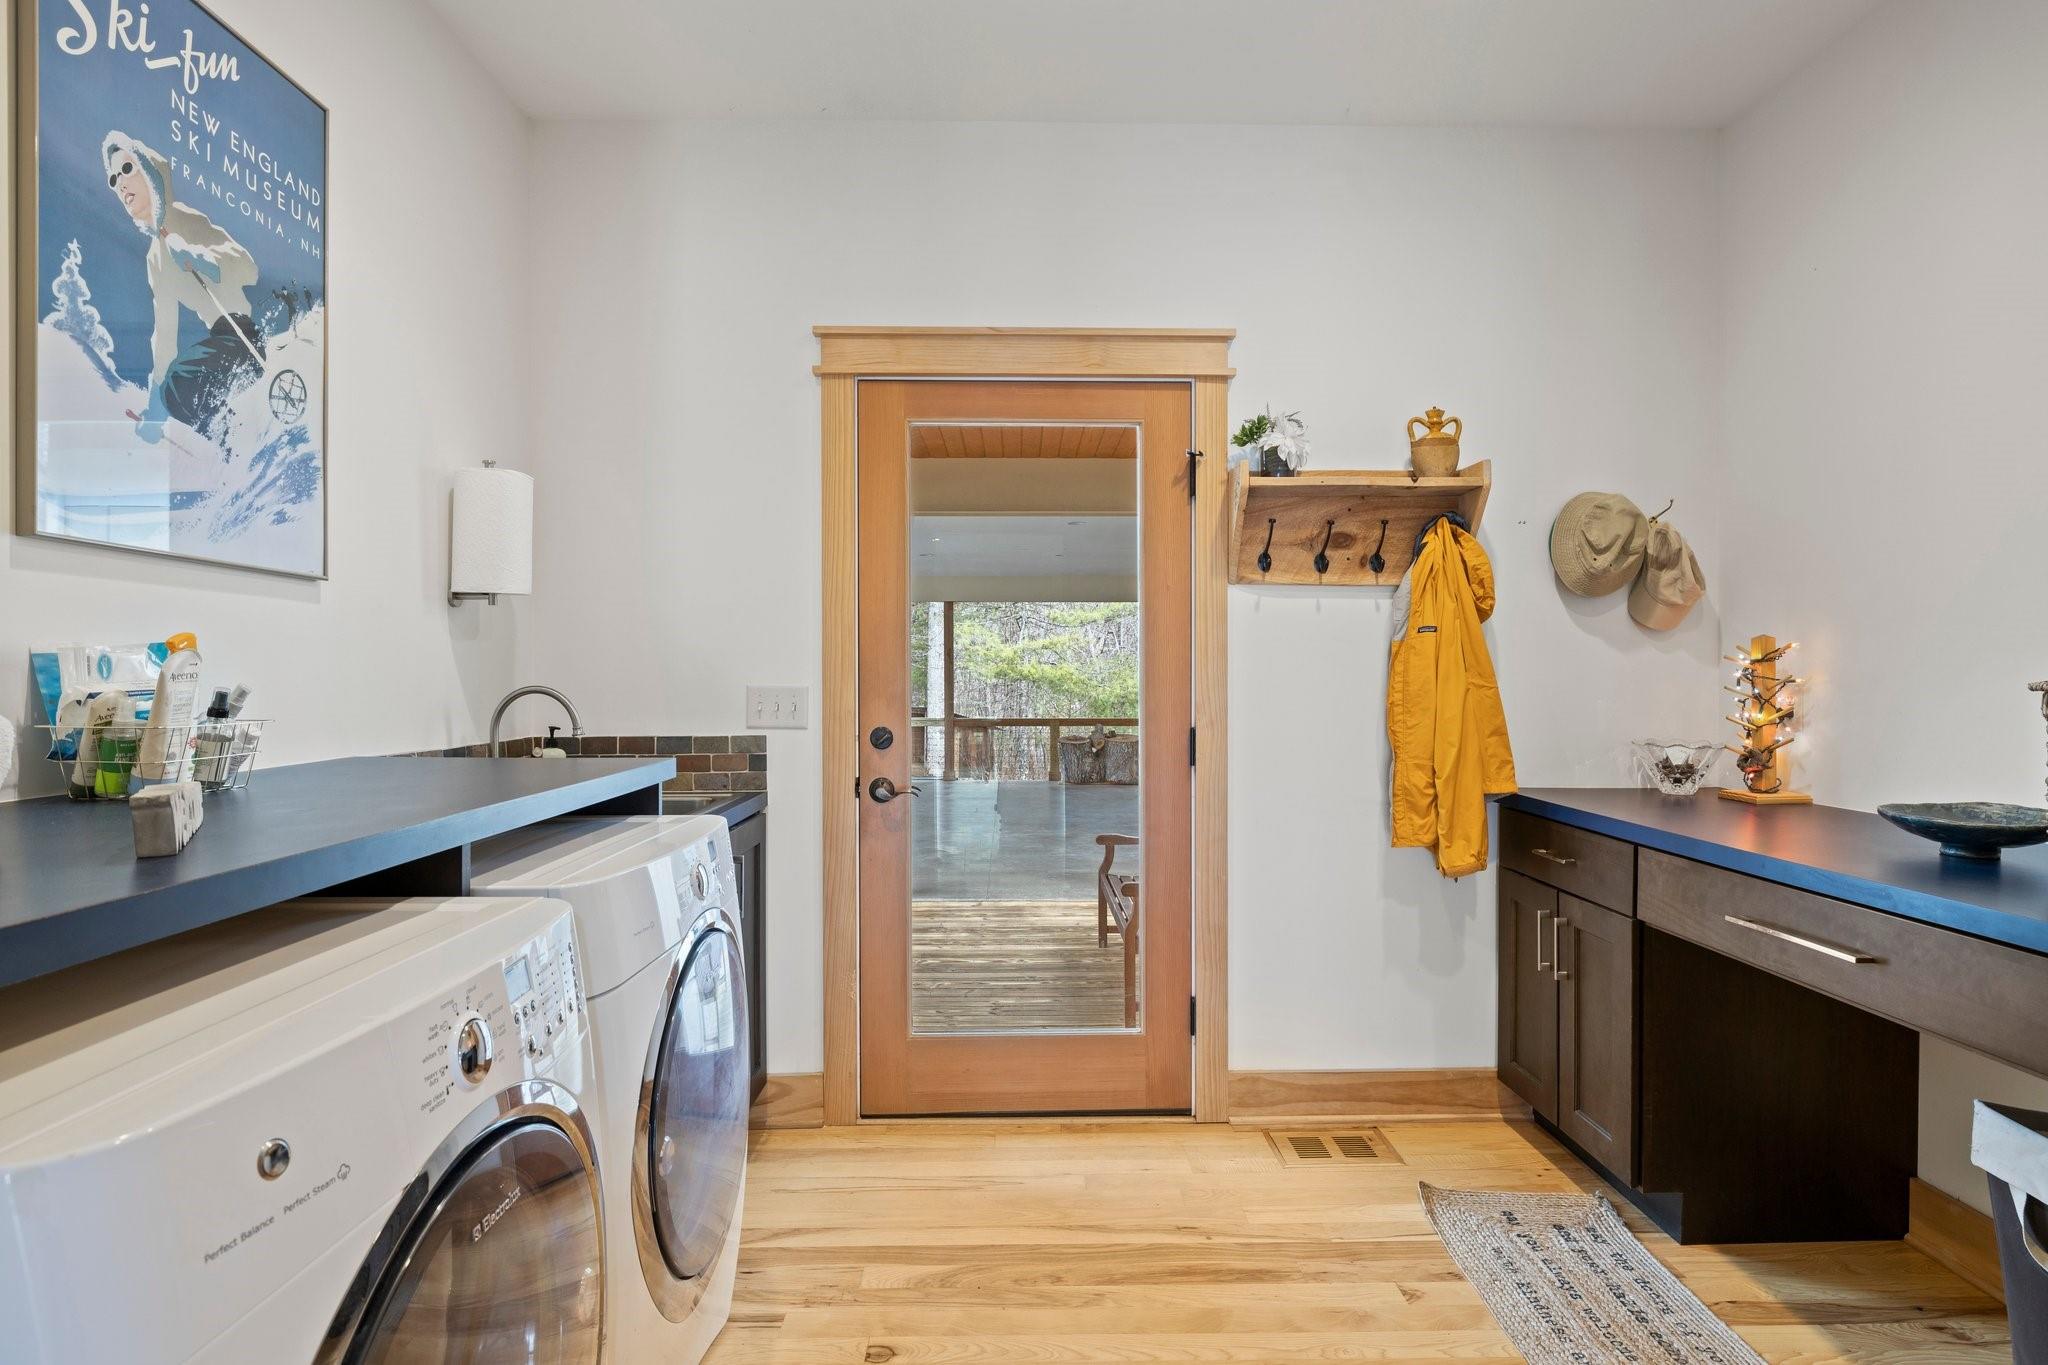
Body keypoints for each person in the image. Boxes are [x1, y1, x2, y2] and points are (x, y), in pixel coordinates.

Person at [102, 132, 262, 443]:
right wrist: (156, 413)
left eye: (126, 169)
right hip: (222, 339)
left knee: (181, 383)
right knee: (177, 387)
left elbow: (248, 267)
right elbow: (164, 336)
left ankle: (240, 434)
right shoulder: (156, 258)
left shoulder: (184, 220)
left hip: (244, 335)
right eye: (112, 179)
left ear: (150, 172)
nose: (120, 184)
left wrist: (201, 259)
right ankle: (234, 442)